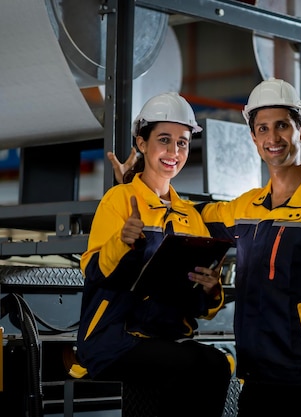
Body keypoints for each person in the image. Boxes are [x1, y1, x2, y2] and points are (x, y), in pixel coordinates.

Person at [107, 79, 301, 417]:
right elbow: (188, 213)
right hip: (259, 375)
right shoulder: (245, 208)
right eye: (262, 128)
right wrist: (137, 181)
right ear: (253, 137)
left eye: (282, 125)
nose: (273, 138)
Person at [76, 92, 232, 417]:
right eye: (164, 140)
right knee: (185, 365)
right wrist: (123, 241)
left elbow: (203, 308)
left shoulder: (190, 216)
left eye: (183, 143)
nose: (174, 151)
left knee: (217, 364)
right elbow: (93, 270)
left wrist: (211, 289)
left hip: (165, 338)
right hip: (113, 339)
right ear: (142, 144)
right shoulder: (119, 200)